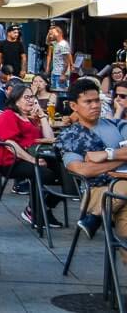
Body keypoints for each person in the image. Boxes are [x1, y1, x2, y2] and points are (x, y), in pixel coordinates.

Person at [57, 78, 127, 240]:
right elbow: (81, 169)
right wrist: (122, 160)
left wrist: (107, 154)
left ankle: (96, 216)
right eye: (88, 102)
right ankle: (96, 214)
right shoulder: (70, 136)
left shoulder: (116, 124)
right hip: (98, 189)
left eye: (97, 100)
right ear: (74, 106)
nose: (95, 105)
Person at [0, 82, 63, 228]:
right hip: (12, 162)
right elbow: (11, 145)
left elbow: (49, 139)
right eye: (27, 97)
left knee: (66, 173)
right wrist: (33, 160)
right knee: (46, 174)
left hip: (37, 156)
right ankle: (38, 211)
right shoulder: (8, 116)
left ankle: (42, 208)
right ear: (16, 100)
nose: (31, 100)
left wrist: (43, 117)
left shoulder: (31, 119)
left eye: (32, 97)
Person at [47, 25, 73, 90]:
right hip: (55, 72)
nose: (51, 35)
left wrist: (63, 74)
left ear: (58, 33)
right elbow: (47, 41)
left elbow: (66, 62)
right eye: (50, 34)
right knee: (54, 93)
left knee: (61, 93)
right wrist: (49, 32)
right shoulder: (55, 43)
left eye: (52, 33)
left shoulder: (63, 44)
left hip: (60, 74)